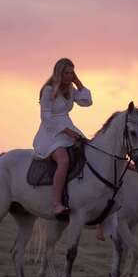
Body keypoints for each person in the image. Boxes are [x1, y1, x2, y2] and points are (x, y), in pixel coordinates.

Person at [33, 58, 92, 216]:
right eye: (66, 73)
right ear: (59, 73)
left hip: (69, 127)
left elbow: (87, 102)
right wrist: (66, 131)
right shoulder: (48, 90)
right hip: (51, 132)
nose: (69, 76)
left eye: (72, 73)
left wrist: (78, 82)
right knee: (63, 160)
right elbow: (45, 116)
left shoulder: (71, 89)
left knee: (89, 152)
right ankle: (56, 203)